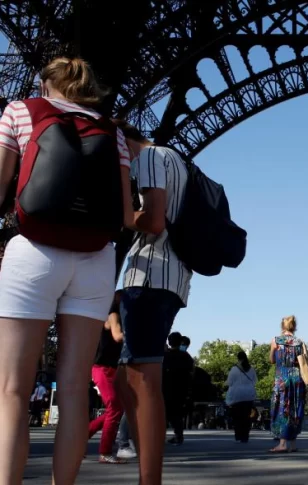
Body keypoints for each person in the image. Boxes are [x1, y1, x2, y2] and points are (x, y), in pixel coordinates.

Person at [0, 56, 134, 485]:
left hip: (34, 253)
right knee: (76, 392)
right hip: (96, 259)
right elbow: (127, 215)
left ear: (45, 85)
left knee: (12, 391)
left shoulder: (21, 110)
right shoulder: (112, 132)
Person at [112, 120, 192, 485]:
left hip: (148, 277)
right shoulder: (175, 158)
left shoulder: (147, 158)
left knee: (142, 380)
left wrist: (118, 214)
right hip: (174, 277)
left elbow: (154, 221)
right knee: (127, 378)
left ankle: (150, 478)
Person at [87, 290, 126, 464]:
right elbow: (117, 337)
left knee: (117, 409)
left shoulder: (121, 317)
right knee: (115, 408)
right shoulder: (112, 315)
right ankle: (105, 453)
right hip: (102, 369)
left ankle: (82, 437)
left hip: (112, 368)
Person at [269, 315, 307, 453]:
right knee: (295, 408)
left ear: (282, 326)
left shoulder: (276, 341)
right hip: (297, 379)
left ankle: (282, 443)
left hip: (282, 378)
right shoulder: (300, 342)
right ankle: (292, 444)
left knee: (282, 408)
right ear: (294, 326)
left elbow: (272, 360)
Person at [163, 332, 194, 445]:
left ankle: (160, 435)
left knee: (164, 414)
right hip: (181, 389)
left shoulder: (165, 356)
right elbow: (191, 372)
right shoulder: (186, 356)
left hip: (166, 388)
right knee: (176, 415)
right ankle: (178, 436)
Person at [225, 351, 258, 443]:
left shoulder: (234, 369)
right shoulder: (251, 369)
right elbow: (255, 381)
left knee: (237, 417)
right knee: (246, 417)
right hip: (248, 395)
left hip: (236, 396)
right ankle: (245, 436)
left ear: (238, 358)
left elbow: (229, 382)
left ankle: (238, 436)